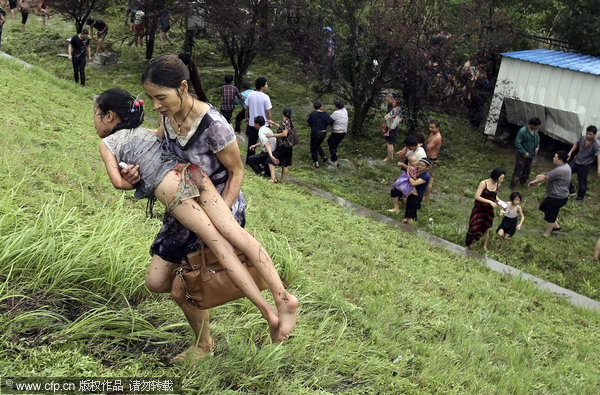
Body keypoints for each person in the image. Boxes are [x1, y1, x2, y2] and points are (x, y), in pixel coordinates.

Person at [94, 88, 297, 348]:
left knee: (220, 245)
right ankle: (281, 298)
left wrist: (130, 180)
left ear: (110, 116)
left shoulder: (107, 144)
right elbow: (157, 150)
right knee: (235, 237)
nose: (95, 120)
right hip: (193, 173)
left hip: (172, 187)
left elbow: (117, 183)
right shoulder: (151, 130)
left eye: (96, 114)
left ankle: (268, 312)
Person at [120, 53, 248, 360]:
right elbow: (162, 142)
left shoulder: (214, 126)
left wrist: (220, 221)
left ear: (182, 87)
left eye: (160, 97)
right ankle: (200, 291)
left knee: (182, 288)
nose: (155, 106)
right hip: (183, 205)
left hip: (218, 209)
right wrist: (131, 155)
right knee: (156, 281)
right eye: (151, 99)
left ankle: (204, 345)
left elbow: (237, 171)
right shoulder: (168, 114)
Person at [528, 150, 571, 238]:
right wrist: (541, 176)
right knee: (543, 207)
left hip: (557, 197)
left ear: (560, 160)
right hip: (556, 195)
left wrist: (534, 181)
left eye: (555, 157)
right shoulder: (565, 167)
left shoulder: (561, 169)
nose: (553, 158)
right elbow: (549, 175)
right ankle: (555, 226)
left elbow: (545, 177)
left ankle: (547, 233)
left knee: (550, 216)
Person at [465, 168, 505, 251]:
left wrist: (500, 202)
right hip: (479, 208)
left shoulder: (497, 184)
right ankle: (468, 245)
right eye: (501, 178)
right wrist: (490, 202)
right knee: (473, 226)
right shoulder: (484, 183)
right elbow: (477, 196)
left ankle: (484, 246)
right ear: (496, 176)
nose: (502, 180)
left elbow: (494, 195)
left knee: (487, 228)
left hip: (488, 210)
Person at [567, 125, 600, 201]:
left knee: (582, 181)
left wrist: (599, 168)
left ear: (594, 135)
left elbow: (598, 155)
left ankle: (580, 197)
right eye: (587, 133)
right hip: (576, 161)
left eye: (590, 134)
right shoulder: (583, 138)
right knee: (566, 173)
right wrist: (570, 152)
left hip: (585, 165)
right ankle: (571, 190)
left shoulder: (596, 144)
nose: (588, 135)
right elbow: (577, 144)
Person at [244, 77, 271, 162]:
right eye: (266, 84)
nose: (267, 85)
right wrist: (270, 121)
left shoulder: (250, 95)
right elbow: (268, 111)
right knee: (265, 143)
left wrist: (247, 117)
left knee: (251, 142)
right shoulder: (265, 97)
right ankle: (265, 160)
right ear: (262, 86)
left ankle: (249, 160)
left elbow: (247, 108)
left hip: (253, 123)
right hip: (264, 124)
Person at [510, 117, 541, 188]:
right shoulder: (523, 131)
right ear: (532, 125)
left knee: (527, 170)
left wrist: (537, 147)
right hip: (522, 155)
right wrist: (524, 152)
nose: (537, 127)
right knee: (519, 170)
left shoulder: (535, 131)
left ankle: (522, 183)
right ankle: (513, 185)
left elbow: (537, 140)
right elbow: (517, 142)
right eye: (536, 126)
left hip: (531, 154)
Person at [266, 108, 295, 184]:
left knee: (271, 159)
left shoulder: (285, 122)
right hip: (288, 146)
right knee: (285, 164)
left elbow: (284, 134)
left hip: (283, 146)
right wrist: (274, 123)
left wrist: (272, 135)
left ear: (283, 113)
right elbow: (283, 129)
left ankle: (273, 178)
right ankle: (282, 181)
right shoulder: (289, 122)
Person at [402, 158, 431, 224]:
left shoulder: (426, 176)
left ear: (426, 167)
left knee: (412, 210)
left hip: (417, 195)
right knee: (408, 207)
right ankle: (406, 219)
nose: (420, 166)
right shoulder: (416, 170)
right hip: (411, 192)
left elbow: (414, 183)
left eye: (422, 165)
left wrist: (408, 175)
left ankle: (410, 224)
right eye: (419, 164)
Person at [307, 101, 334, 168]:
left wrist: (312, 125)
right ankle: (324, 156)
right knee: (317, 144)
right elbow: (331, 122)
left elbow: (308, 124)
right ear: (321, 107)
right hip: (323, 133)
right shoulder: (325, 114)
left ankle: (316, 162)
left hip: (315, 133)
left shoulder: (312, 114)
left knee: (313, 147)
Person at [424, 120, 442, 198]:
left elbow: (428, 147)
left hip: (431, 160)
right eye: (430, 127)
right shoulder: (432, 134)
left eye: (432, 127)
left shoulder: (438, 137)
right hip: (427, 157)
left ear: (437, 128)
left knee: (429, 178)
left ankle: (427, 196)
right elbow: (426, 142)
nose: (430, 129)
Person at [382, 94, 403, 162]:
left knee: (389, 142)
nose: (387, 102)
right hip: (389, 125)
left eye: (388, 100)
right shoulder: (390, 106)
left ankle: (389, 157)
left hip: (393, 126)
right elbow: (388, 115)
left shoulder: (398, 108)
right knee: (388, 141)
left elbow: (400, 118)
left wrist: (395, 122)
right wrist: (385, 124)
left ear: (392, 99)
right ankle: (390, 157)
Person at [327, 99, 348, 167]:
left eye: (334, 104)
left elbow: (329, 120)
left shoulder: (336, 113)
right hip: (343, 132)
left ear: (336, 106)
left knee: (330, 143)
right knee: (335, 144)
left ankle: (335, 160)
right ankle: (335, 155)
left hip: (337, 132)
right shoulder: (345, 110)